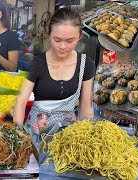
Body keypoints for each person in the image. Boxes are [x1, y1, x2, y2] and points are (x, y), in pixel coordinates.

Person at [13, 7, 95, 147]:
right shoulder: (38, 63)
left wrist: (85, 138)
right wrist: (18, 135)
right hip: (36, 132)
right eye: (57, 40)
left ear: (80, 37)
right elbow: (21, 103)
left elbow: (86, 106)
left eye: (70, 41)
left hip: (68, 134)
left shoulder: (86, 64)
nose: (63, 46)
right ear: (49, 35)